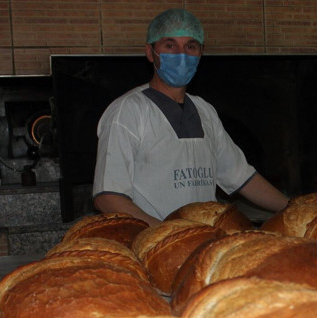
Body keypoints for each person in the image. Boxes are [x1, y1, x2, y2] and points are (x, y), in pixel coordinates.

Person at [92, 8, 289, 226]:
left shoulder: (205, 111)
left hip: (205, 242)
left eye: (190, 46)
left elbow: (242, 178)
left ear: (200, 53)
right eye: (170, 45)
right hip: (151, 246)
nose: (181, 54)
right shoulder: (127, 111)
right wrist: (165, 233)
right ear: (150, 52)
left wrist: (293, 207)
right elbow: (107, 197)